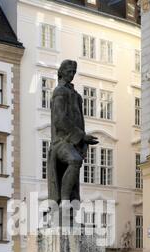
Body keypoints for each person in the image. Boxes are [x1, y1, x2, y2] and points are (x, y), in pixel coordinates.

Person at [48, 60, 99, 205]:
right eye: (69, 71)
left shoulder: (75, 95)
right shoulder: (60, 91)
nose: (71, 74)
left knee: (76, 169)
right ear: (62, 72)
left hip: (73, 142)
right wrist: (82, 137)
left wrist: (83, 142)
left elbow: (79, 120)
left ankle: (69, 201)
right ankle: (64, 200)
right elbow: (59, 119)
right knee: (74, 160)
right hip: (61, 141)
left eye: (73, 72)